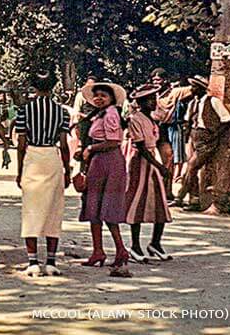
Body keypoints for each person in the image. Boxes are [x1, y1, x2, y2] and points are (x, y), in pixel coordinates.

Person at [14, 71, 71, 277]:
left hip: (33, 156)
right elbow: (64, 144)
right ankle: (51, 261)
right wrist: (67, 170)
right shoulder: (61, 112)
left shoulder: (25, 110)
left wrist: (19, 171)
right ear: (54, 87)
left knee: (32, 208)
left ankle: (32, 261)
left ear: (35, 88)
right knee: (53, 209)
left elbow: (21, 144)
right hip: (52, 156)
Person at [77, 81, 130, 273]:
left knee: (105, 207)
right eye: (96, 95)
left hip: (108, 161)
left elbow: (114, 141)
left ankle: (119, 250)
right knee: (95, 206)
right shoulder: (99, 114)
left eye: (103, 96)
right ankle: (98, 250)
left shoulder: (111, 114)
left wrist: (91, 148)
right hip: (99, 161)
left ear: (111, 99)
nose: (99, 99)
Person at [124, 84, 173, 263]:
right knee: (137, 201)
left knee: (160, 203)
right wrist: (159, 166)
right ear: (141, 102)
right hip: (142, 162)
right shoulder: (135, 119)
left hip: (153, 159)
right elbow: (142, 147)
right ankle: (135, 246)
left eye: (155, 98)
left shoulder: (152, 119)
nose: (154, 102)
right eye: (149, 99)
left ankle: (155, 243)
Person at [173, 76, 230, 210]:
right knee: (191, 169)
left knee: (191, 166)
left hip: (207, 139)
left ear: (201, 88)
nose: (192, 89)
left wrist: (213, 136)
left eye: (194, 87)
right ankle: (194, 200)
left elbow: (227, 121)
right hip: (194, 137)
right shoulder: (192, 103)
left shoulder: (213, 101)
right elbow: (187, 120)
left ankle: (180, 197)